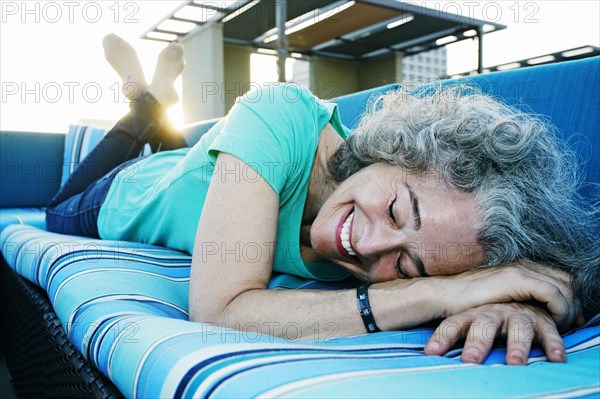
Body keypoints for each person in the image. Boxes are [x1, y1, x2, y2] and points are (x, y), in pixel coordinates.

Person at [46, 35, 599, 366]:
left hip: (206, 175)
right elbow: (219, 311)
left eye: (405, 266)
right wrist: (437, 288)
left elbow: (549, 281)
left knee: (191, 158)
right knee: (59, 205)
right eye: (397, 210)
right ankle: (143, 100)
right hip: (121, 195)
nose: (368, 245)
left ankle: (162, 114)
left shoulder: (423, 252)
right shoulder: (278, 113)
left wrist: (503, 299)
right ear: (401, 148)